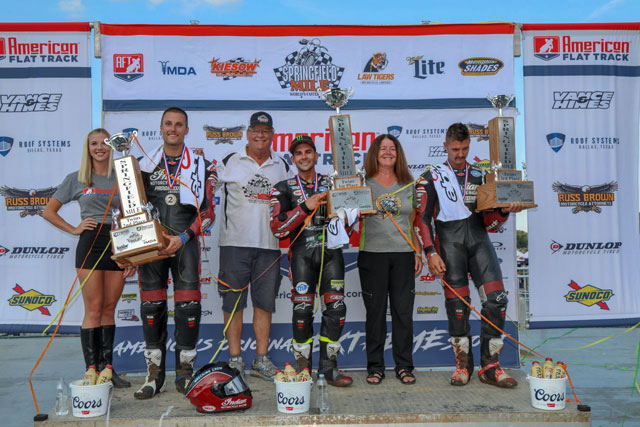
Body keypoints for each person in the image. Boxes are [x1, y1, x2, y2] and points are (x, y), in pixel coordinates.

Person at [414, 122, 524, 388]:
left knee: (497, 300)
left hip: (478, 241)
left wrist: (506, 210)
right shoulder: (431, 176)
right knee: (458, 308)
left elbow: (490, 221)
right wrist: (430, 252)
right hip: (449, 245)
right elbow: (421, 219)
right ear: (445, 146)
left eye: (464, 148)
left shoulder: (481, 174)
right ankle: (462, 367)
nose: (460, 154)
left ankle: (491, 367)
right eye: (455, 149)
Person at [131, 107, 216, 399]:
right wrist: (130, 251)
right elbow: (130, 210)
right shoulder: (143, 164)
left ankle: (185, 373)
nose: (173, 128)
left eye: (179, 124)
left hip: (185, 244)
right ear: (161, 127)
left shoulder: (203, 165)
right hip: (151, 248)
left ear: (186, 130)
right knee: (152, 310)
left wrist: (182, 237)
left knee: (187, 309)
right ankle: (153, 376)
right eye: (168, 123)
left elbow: (208, 213)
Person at [44, 128, 132, 388]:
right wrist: (74, 229)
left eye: (104, 142)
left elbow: (130, 216)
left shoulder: (122, 178)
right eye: (94, 143)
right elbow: (49, 211)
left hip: (117, 245)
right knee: (93, 309)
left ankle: (108, 370)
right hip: (90, 245)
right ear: (88, 148)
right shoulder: (77, 178)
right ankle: (91, 370)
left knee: (108, 309)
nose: (100, 147)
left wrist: (130, 256)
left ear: (111, 146)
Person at [214, 111, 292, 381]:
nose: (261, 135)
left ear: (272, 135)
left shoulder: (282, 164)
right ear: (247, 134)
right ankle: (235, 360)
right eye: (256, 130)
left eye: (266, 131)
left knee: (264, 304)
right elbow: (202, 192)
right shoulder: (228, 161)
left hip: (270, 246)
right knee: (233, 304)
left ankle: (261, 360)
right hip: (234, 244)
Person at [269, 135, 353, 387]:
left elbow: (354, 214)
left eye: (309, 152)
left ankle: (330, 368)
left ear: (317, 156)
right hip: (302, 256)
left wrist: (350, 211)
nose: (304, 156)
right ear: (292, 159)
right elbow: (277, 227)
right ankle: (302, 369)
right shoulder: (282, 187)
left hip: (332, 255)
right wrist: (306, 206)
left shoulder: (332, 183)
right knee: (302, 311)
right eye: (299, 153)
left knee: (336, 309)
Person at [357, 134, 423, 385]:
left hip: (403, 255)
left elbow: (413, 221)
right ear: (375, 153)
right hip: (372, 255)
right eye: (382, 148)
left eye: (392, 149)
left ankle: (404, 366)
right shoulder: (363, 182)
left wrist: (417, 250)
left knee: (403, 314)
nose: (387, 152)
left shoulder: (409, 183)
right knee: (375, 314)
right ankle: (375, 367)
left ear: (399, 154)